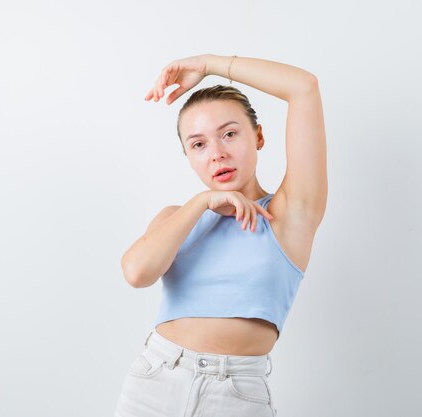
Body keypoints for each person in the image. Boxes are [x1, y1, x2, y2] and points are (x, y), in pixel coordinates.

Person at [114, 53, 327, 417]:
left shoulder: (289, 215)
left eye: (229, 133)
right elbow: (136, 273)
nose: (217, 154)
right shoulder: (176, 218)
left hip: (235, 396)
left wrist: (209, 64)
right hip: (154, 381)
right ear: (189, 156)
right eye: (199, 144)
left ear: (258, 136)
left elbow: (303, 88)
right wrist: (202, 202)